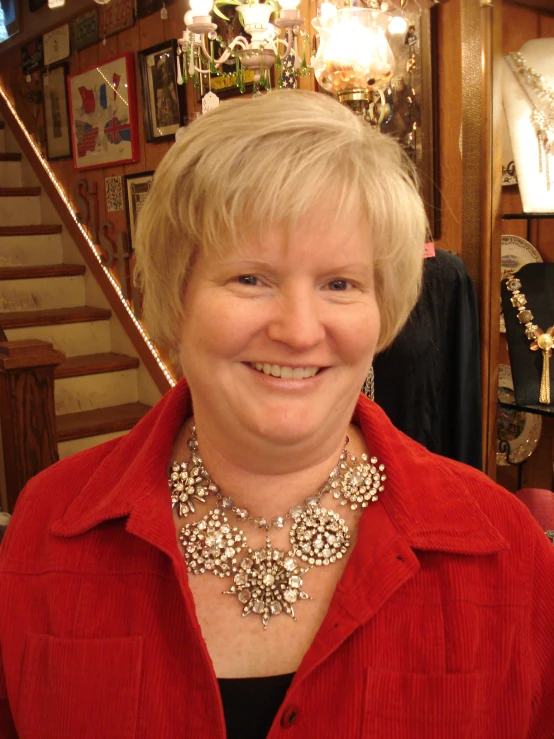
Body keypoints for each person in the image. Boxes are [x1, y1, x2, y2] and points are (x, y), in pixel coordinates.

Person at [0, 90, 553, 739]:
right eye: (251, 279)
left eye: (340, 283)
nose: (297, 330)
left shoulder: (504, 551)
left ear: (385, 308)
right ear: (177, 296)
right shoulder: (48, 529)